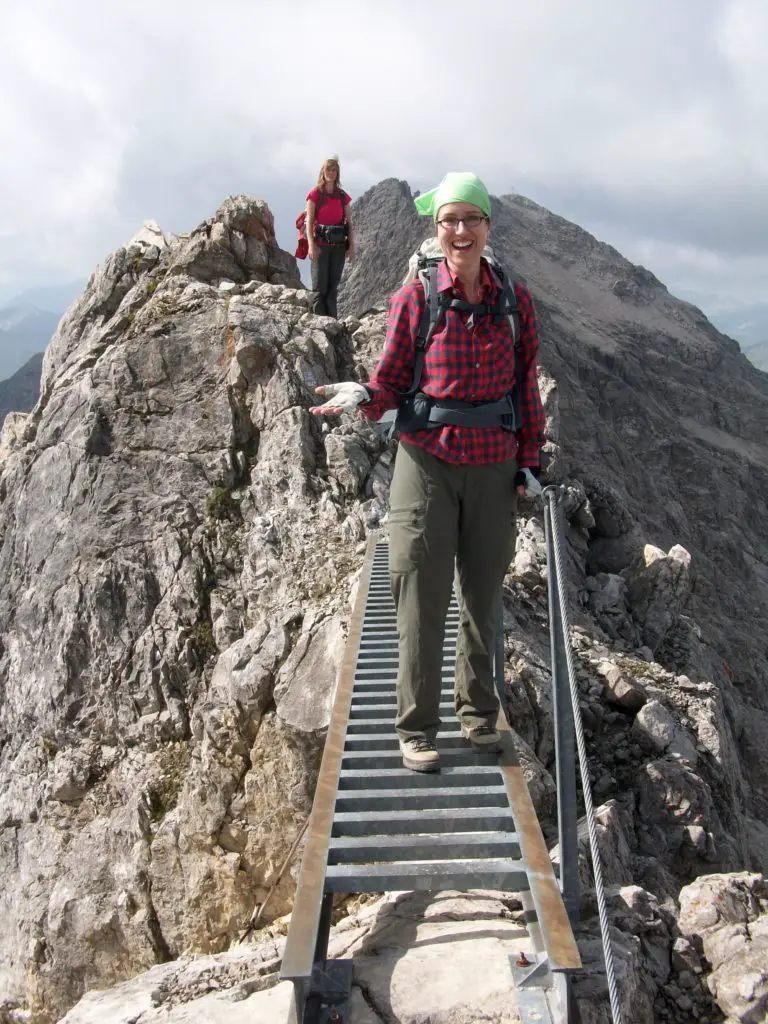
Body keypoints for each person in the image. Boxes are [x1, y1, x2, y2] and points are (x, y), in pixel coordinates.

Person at [310, 172, 545, 773]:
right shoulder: (416, 297)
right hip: (427, 461)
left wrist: (530, 462)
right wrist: (362, 393)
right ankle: (416, 729)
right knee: (420, 594)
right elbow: (391, 379)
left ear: (488, 226)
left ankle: (478, 716)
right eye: (449, 221)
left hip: (493, 465)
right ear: (437, 230)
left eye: (470, 219)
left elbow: (524, 386)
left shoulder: (514, 300)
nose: (460, 231)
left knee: (483, 595)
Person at [306, 156, 355, 318]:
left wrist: (352, 246)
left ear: (338, 173)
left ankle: (332, 323)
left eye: (334, 170)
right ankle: (318, 324)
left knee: (333, 288)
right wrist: (311, 245)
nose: (331, 173)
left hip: (339, 248)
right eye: (328, 169)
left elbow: (349, 223)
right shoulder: (315, 195)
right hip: (320, 246)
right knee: (320, 288)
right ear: (323, 171)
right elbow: (309, 221)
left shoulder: (342, 196)